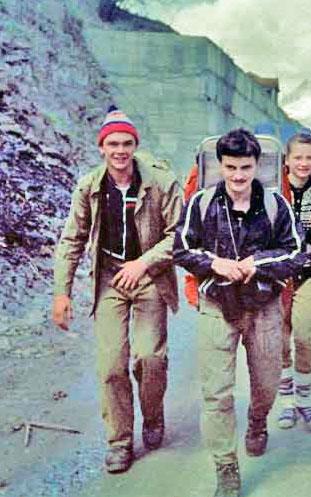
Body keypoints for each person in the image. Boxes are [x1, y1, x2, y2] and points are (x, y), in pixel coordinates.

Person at [52, 107, 183, 473]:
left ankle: (153, 416)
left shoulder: (161, 182)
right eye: (113, 144)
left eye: (126, 143)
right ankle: (120, 442)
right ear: (102, 148)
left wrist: (144, 263)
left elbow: (180, 235)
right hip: (110, 277)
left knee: (149, 357)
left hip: (149, 276)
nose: (120, 151)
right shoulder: (89, 187)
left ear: (135, 145)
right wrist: (62, 292)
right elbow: (71, 240)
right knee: (111, 365)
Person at [173, 128, 300, 497]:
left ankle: (258, 420)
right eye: (231, 167)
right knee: (216, 392)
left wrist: (256, 263)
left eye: (245, 167)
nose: (238, 176)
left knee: (267, 383)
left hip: (264, 307)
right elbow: (181, 249)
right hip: (218, 305)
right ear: (221, 166)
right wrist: (215, 264)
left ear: (256, 165)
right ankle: (226, 465)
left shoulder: (276, 205)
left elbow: (294, 253)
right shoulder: (200, 203)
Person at [277, 132, 311, 432]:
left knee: (304, 335)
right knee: (279, 339)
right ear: (286, 159)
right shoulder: (271, 189)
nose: (304, 163)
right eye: (298, 157)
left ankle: (304, 400)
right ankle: (287, 402)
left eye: (310, 157)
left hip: (309, 271)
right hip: (277, 275)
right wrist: (310, 229)